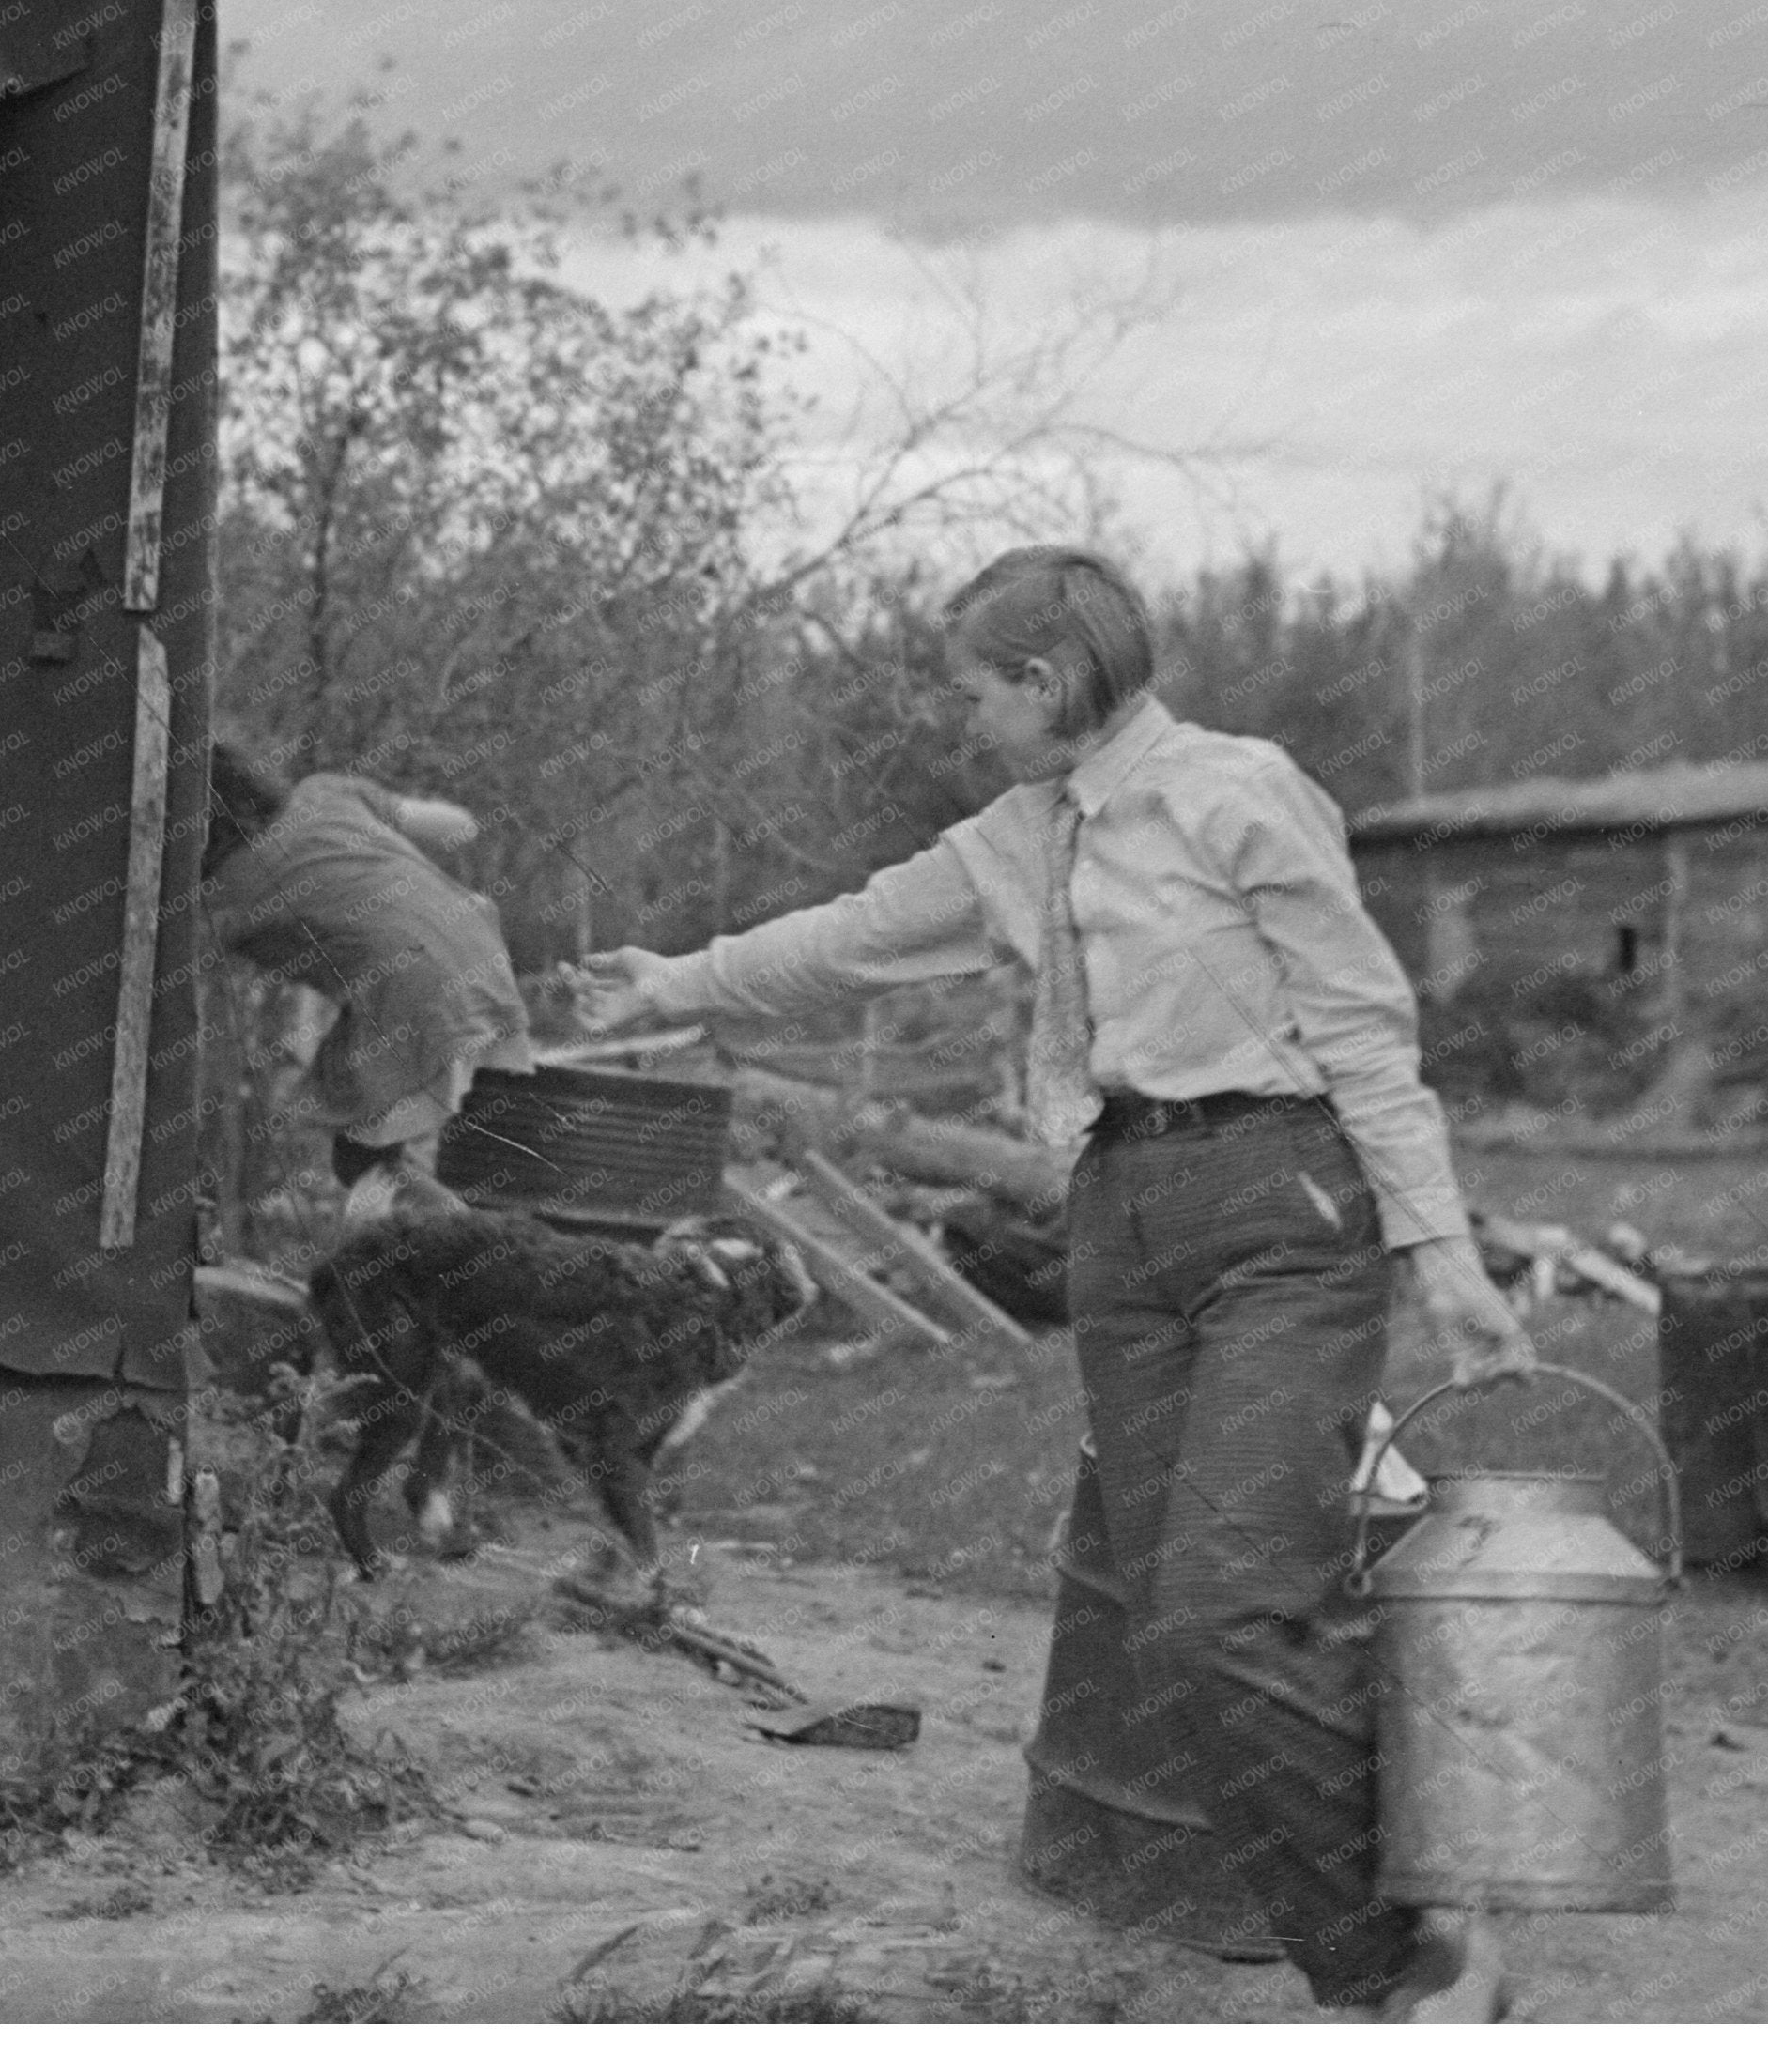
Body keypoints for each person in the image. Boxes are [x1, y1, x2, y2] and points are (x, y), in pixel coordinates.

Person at [565, 546, 1535, 2023]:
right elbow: (851, 936)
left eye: (976, 691)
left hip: (1279, 1199)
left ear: (1044, 678)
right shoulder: (1019, 838)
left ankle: (1419, 1955)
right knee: (1186, 1611)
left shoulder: (1240, 791)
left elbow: (1362, 1027)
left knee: (1229, 1608)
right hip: (1121, 1210)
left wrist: (1442, 1249)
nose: (968, 721)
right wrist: (677, 980)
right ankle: (1401, 1932)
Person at [203, 740, 539, 1223]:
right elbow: (459, 827)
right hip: (480, 949)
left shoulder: (223, 892)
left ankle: (475, 1247)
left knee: (369, 1166)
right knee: (397, 1155)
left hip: (412, 990)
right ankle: (462, 1249)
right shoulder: (328, 793)